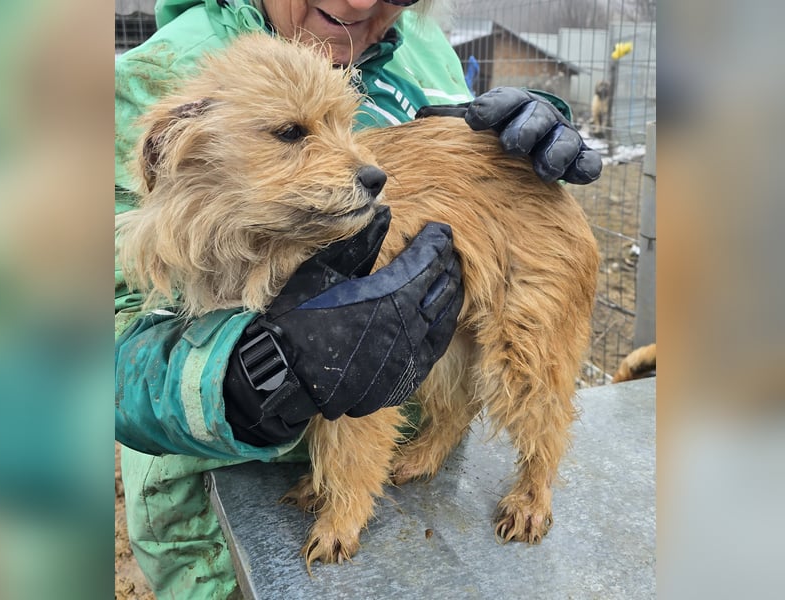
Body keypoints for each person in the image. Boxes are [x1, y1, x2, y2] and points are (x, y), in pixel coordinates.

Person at [115, 0, 602, 596]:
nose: (363, 3)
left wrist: (542, 124)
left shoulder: (424, 51)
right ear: (168, 143)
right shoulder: (148, 78)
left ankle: (533, 479)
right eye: (291, 132)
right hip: (210, 531)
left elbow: (378, 350)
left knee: (526, 374)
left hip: (421, 490)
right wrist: (244, 377)